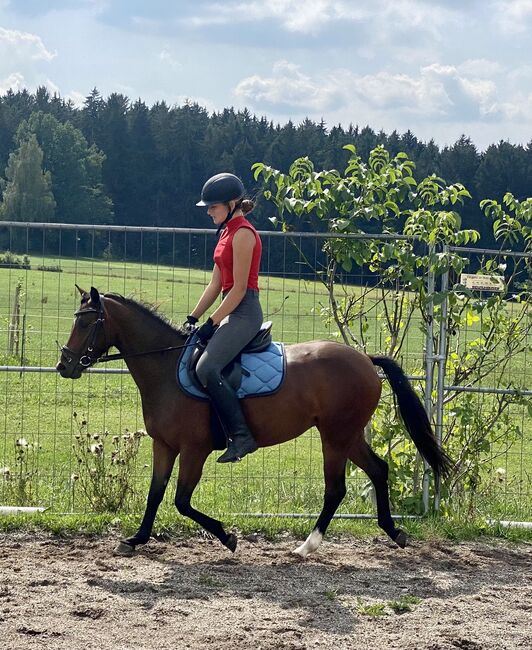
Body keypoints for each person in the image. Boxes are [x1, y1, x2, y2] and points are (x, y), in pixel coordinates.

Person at [183, 172, 263, 463]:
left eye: (212, 206)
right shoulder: (226, 232)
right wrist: (193, 317)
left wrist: (212, 322)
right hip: (230, 309)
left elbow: (239, 290)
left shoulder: (243, 234)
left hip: (244, 313)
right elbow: (216, 284)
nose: (208, 211)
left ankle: (242, 436)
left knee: (206, 368)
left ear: (232, 204)